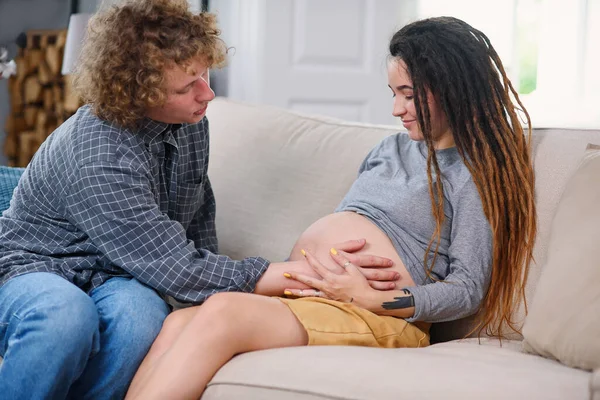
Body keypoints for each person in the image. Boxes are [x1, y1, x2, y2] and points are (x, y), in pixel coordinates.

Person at [124, 16, 538, 399]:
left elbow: (467, 288)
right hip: (319, 300)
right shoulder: (389, 149)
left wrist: (378, 299)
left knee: (224, 310)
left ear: (451, 88)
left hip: (381, 318)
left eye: (408, 96)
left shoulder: (473, 173)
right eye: (393, 94)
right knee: (180, 320)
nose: (396, 109)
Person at [0, 1, 398, 399]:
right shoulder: (100, 153)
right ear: (138, 92)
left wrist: (211, 298)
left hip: (119, 274)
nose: (207, 93)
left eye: (204, 73)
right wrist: (312, 274)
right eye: (186, 87)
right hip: (37, 267)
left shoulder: (190, 125)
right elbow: (178, 267)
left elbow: (196, 216)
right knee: (67, 317)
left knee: (142, 316)